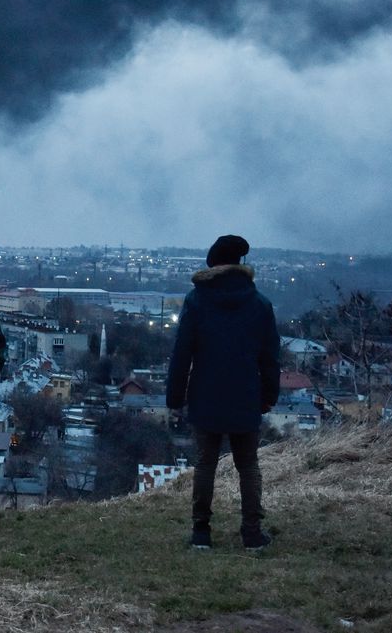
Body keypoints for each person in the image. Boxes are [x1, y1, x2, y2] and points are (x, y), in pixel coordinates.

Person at [167, 234, 281, 551]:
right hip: (246, 393)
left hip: (205, 393)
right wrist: (269, 395)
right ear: (240, 264)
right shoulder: (260, 304)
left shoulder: (196, 301)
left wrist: (175, 397)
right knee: (248, 465)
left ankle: (201, 533)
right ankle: (252, 533)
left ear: (213, 264)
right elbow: (270, 358)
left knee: (205, 464)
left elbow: (182, 354)